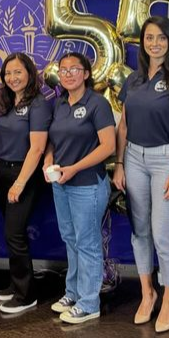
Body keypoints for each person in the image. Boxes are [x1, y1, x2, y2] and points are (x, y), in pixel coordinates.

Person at [112, 16, 169, 333]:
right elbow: (124, 125)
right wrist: (119, 163)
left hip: (166, 159)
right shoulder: (132, 79)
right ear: (142, 41)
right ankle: (147, 294)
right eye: (149, 37)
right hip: (133, 157)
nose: (155, 43)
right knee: (140, 230)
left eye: (161, 37)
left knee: (162, 233)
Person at [45, 52, 115, 324]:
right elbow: (52, 140)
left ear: (86, 73)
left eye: (75, 69)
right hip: (60, 184)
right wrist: (49, 160)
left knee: (87, 243)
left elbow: (108, 146)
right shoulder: (60, 103)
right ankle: (72, 293)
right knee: (71, 239)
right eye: (63, 70)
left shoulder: (97, 104)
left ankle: (89, 303)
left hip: (87, 184)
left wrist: (74, 168)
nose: (69, 74)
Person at [0, 53, 51, 314]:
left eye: (18, 72)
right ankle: (16, 284)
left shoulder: (38, 104)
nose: (13, 77)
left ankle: (26, 295)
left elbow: (37, 149)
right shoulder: (3, 101)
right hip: (1, 171)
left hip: (24, 174)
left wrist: (20, 183)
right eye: (8, 73)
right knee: (10, 232)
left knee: (14, 233)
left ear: (29, 73)